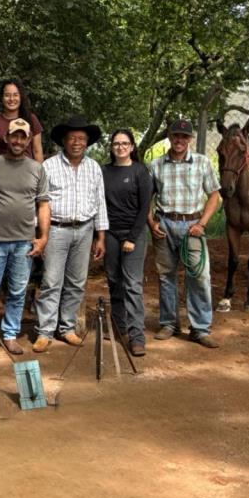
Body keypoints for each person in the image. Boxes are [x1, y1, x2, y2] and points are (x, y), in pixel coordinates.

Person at [0, 118, 50, 365]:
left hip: (24, 243)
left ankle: (10, 334)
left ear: (28, 140)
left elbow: (43, 203)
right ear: (6, 138)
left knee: (17, 292)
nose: (17, 141)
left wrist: (43, 237)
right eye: (13, 136)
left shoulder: (37, 169)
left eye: (22, 137)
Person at [33, 116, 108, 353]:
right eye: (73, 138)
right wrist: (41, 234)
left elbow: (100, 202)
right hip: (56, 229)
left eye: (82, 138)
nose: (77, 142)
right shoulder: (49, 166)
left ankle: (66, 328)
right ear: (64, 141)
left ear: (87, 143)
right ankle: (45, 331)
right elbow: (40, 202)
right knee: (51, 281)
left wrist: (100, 236)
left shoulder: (94, 167)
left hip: (84, 229)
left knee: (76, 282)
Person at [148, 118, 222, 348]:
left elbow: (214, 196)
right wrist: (151, 223)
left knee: (198, 276)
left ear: (189, 139)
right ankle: (169, 323)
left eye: (184, 137)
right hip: (164, 225)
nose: (179, 140)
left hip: (192, 226)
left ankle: (200, 328)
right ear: (170, 137)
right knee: (166, 276)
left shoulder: (202, 163)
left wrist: (202, 223)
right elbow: (145, 199)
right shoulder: (156, 165)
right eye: (175, 136)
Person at [102, 128, 154, 356]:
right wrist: (102, 236)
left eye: (125, 143)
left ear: (132, 147)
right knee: (114, 280)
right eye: (116, 144)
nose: (120, 147)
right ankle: (118, 325)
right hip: (110, 233)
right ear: (112, 147)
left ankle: (136, 336)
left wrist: (132, 238)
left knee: (132, 284)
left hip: (134, 234)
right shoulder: (104, 171)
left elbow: (145, 208)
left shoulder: (140, 172)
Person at [0, 79, 45, 173]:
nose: (11, 99)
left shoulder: (31, 119)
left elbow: (37, 151)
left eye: (15, 95)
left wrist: (39, 175)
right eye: (7, 95)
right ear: (2, 98)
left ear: (21, 97)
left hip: (27, 171)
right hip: (3, 171)